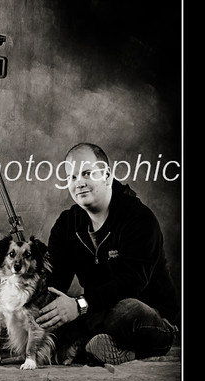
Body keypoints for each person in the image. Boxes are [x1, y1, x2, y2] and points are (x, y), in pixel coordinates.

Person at [37, 143, 179, 365]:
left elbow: (131, 283)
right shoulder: (66, 224)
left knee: (126, 308)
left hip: (149, 317)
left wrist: (78, 306)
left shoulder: (139, 218)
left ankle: (86, 343)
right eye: (72, 177)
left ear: (107, 175)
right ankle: (106, 347)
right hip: (96, 310)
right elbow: (54, 281)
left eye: (86, 173)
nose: (79, 183)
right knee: (51, 313)